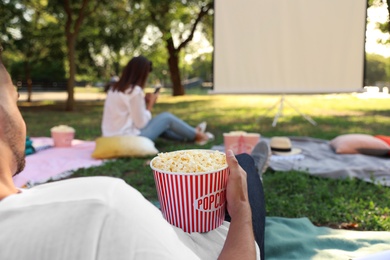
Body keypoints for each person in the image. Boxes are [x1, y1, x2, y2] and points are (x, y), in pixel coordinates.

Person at [0, 49, 265, 259]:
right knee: (242, 162)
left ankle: (198, 137)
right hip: (222, 245)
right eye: (16, 98)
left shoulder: (115, 87)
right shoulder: (106, 205)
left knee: (169, 131)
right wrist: (241, 208)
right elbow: (141, 123)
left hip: (112, 140)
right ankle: (202, 139)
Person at [101, 56, 214, 145]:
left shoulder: (114, 89)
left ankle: (193, 135)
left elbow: (126, 111)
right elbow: (141, 124)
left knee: (162, 126)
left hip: (110, 135)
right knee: (166, 118)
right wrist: (150, 104)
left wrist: (143, 102)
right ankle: (198, 135)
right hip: (127, 138)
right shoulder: (135, 91)